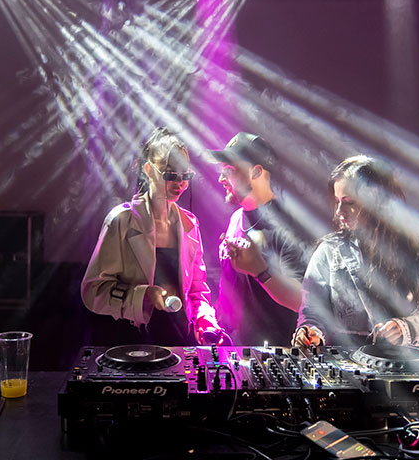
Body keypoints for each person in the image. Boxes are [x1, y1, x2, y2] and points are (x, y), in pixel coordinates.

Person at [294, 155, 419, 354]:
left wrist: (405, 329)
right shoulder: (329, 251)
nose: (338, 212)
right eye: (337, 201)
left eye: (349, 202)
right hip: (359, 364)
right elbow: (313, 311)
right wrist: (311, 332)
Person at [81, 127, 224, 346]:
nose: (180, 183)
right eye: (170, 174)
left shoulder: (190, 225)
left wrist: (205, 319)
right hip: (128, 342)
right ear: (148, 169)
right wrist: (144, 295)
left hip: (179, 342)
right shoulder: (121, 220)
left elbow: (197, 291)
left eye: (185, 175)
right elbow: (93, 291)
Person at [207, 132, 311, 346]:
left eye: (229, 170)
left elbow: (302, 301)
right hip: (241, 349)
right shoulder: (236, 219)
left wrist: (261, 271)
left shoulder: (288, 226)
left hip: (280, 354)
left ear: (256, 172)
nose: (221, 179)